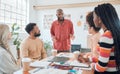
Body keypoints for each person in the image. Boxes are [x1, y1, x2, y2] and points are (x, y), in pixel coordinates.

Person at [78, 3, 120, 74]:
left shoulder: (106, 36)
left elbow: (101, 67)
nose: (93, 20)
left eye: (94, 17)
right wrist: (89, 59)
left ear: (99, 19)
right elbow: (104, 58)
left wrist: (91, 65)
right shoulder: (114, 33)